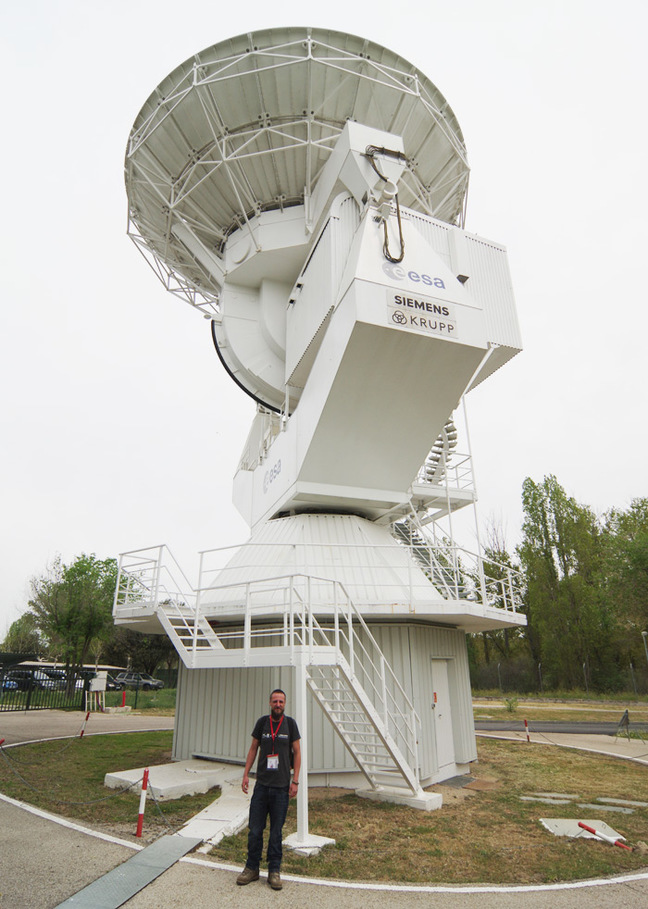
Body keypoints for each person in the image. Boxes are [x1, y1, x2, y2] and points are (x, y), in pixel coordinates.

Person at [237, 688, 301, 890]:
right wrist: (246, 774)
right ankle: (251, 868)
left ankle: (274, 871)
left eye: (281, 701)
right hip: (262, 785)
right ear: (270, 703)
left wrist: (295, 781)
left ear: (285, 704)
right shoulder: (262, 723)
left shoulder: (290, 724)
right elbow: (253, 748)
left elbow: (297, 753)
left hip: (281, 787)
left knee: (276, 832)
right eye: (275, 701)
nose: (278, 704)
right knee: (255, 830)